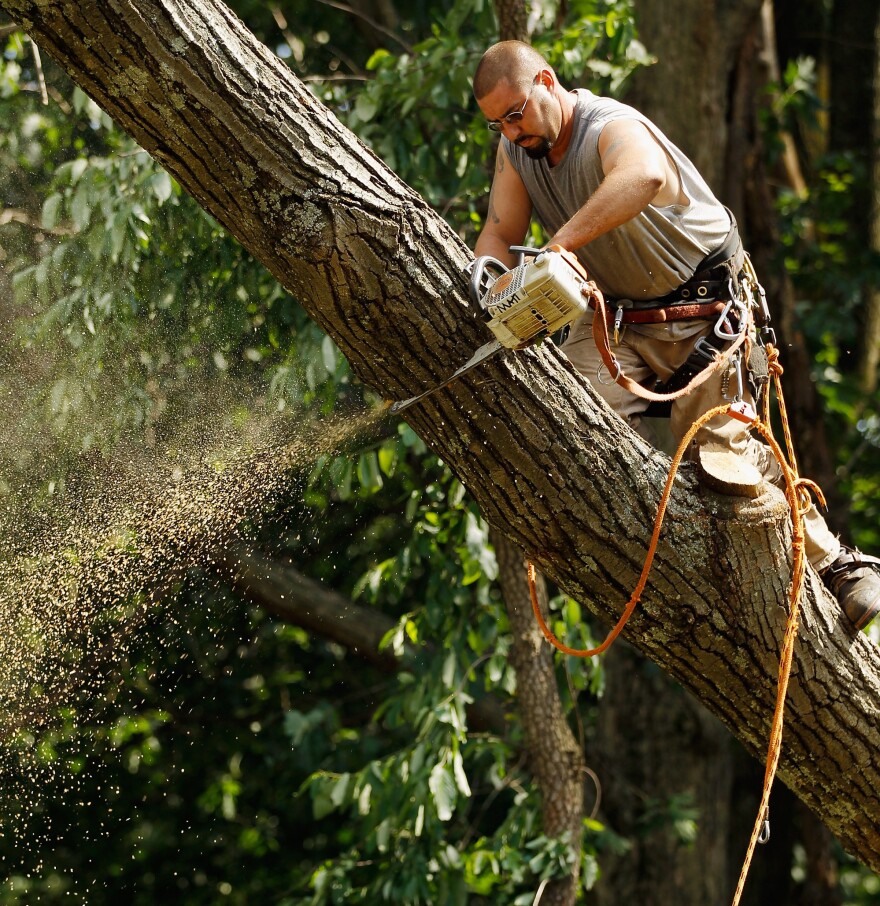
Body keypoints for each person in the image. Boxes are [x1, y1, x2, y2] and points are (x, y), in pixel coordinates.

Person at [472, 40, 880, 630]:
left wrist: (558, 246)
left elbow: (643, 175)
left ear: (546, 80)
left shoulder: (610, 125)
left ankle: (840, 565)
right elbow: (498, 229)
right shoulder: (518, 153)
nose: (510, 132)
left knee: (724, 463)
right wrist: (492, 288)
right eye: (496, 123)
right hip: (616, 320)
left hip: (707, 313)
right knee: (558, 418)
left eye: (516, 113)